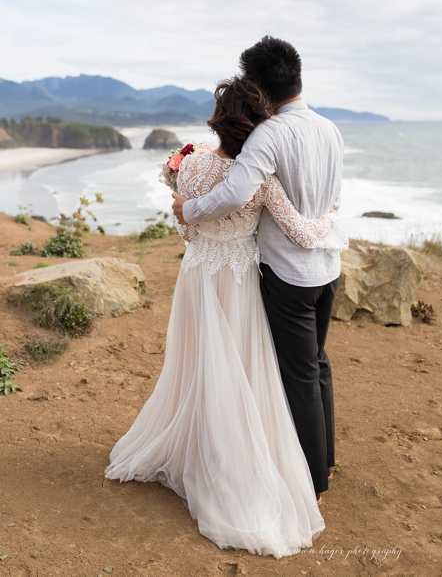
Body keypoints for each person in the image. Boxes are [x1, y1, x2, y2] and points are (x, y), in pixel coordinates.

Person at [107, 76, 348, 557]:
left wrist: (199, 231)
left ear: (219, 120)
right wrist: (333, 221)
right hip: (238, 281)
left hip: (197, 275)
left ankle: (195, 444)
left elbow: (187, 227)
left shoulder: (190, 163)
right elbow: (299, 230)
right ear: (258, 124)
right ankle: (234, 460)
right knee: (241, 371)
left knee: (198, 364)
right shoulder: (259, 178)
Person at [172, 36, 345, 503]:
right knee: (318, 363)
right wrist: (328, 225)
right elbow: (334, 198)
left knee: (300, 375)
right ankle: (325, 458)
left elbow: (232, 194)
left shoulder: (269, 134)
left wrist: (186, 209)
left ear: (261, 88)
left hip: (289, 272)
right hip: (328, 266)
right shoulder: (330, 129)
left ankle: (312, 481)